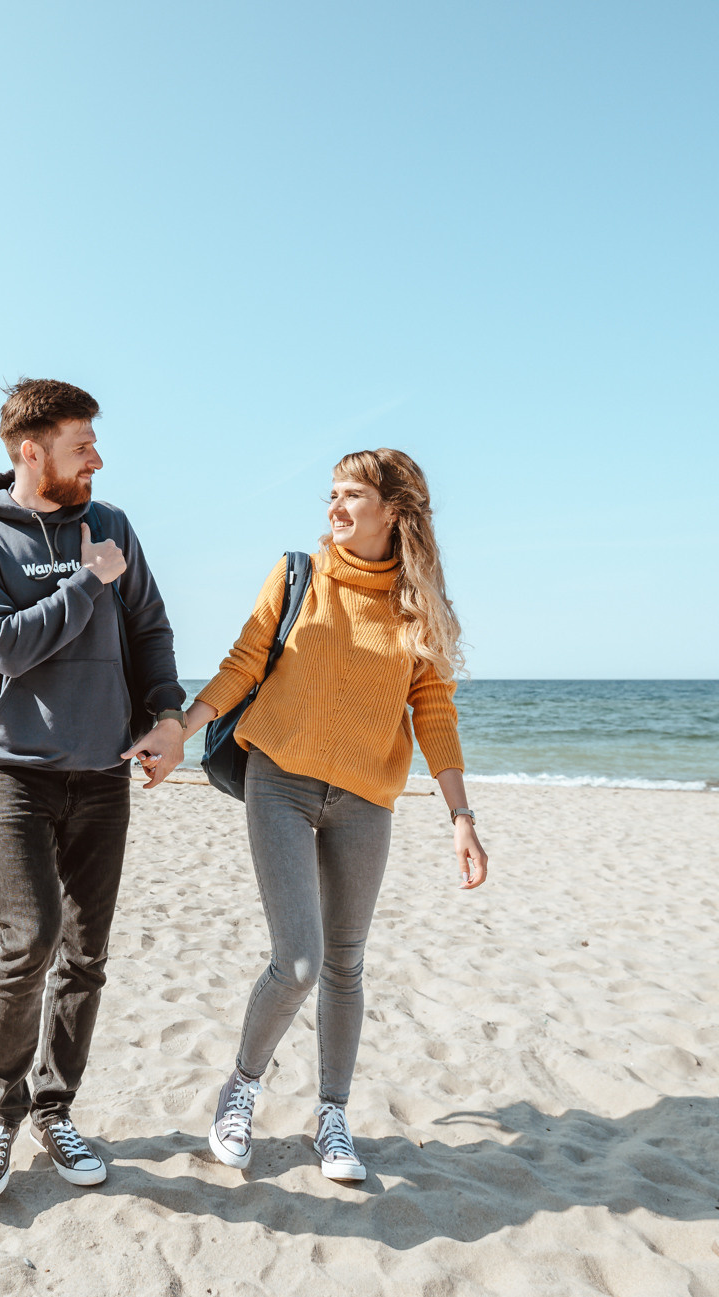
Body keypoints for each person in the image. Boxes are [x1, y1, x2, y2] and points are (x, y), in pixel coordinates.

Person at [139, 447, 488, 1183]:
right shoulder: (301, 573)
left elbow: (433, 710)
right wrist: (182, 727)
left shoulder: (416, 602)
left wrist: (460, 814)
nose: (334, 508)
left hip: (366, 800)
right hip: (282, 784)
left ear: (393, 510)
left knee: (346, 963)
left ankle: (333, 1113)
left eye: (351, 495)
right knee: (297, 960)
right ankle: (241, 1086)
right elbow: (243, 661)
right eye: (331, 493)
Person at [0, 378, 187, 1202]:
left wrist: (166, 715)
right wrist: (87, 583)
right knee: (28, 937)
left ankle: (54, 1105)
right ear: (31, 451)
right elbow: (7, 648)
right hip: (9, 768)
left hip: (103, 770)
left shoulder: (110, 526)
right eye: (83, 446)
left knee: (86, 951)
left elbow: (148, 627)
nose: (98, 460)